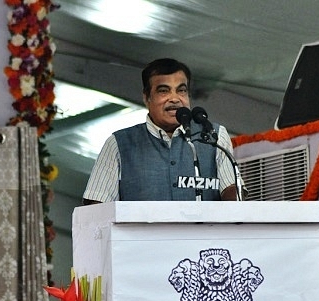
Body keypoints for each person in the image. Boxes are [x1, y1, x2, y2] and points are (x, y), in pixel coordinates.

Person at [82, 58, 244, 204]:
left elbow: (233, 191)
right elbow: (96, 204)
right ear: (147, 98)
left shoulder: (213, 135)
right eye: (164, 91)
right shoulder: (118, 144)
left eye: (181, 90)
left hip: (204, 236)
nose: (174, 98)